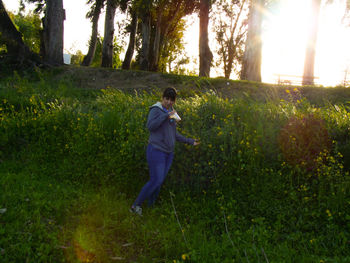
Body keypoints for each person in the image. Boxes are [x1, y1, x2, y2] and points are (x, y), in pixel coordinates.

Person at [130, 87, 199, 216]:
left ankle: (151, 206)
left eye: (172, 100)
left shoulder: (171, 112)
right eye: (167, 99)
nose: (169, 102)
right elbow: (150, 126)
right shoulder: (156, 110)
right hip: (156, 150)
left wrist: (190, 141)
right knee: (156, 180)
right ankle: (135, 206)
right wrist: (165, 116)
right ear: (162, 98)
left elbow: (173, 134)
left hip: (169, 153)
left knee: (159, 181)